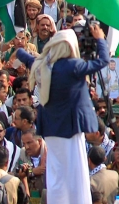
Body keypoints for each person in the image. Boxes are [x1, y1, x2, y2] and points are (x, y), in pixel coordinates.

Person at [16, 24, 109, 204]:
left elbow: (26, 58)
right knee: (76, 171)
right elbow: (103, 62)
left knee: (56, 171)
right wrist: (100, 39)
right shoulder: (73, 66)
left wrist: (18, 49)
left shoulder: (42, 65)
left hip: (50, 128)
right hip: (71, 127)